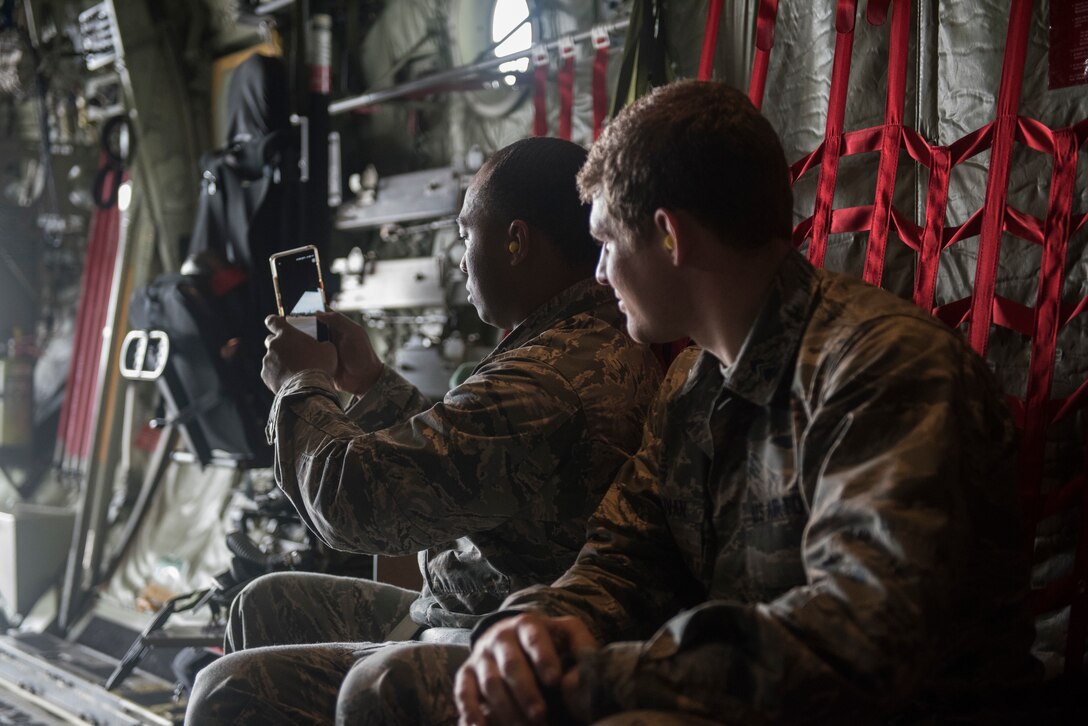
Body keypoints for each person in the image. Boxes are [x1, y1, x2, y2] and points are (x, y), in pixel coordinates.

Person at [451, 80, 1042, 724]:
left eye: (608, 243)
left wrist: (602, 679)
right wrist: (541, 626)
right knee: (400, 685)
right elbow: (629, 554)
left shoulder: (883, 370)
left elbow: (862, 641)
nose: (598, 273)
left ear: (670, 237)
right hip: (744, 701)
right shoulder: (689, 384)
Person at [184, 137, 662, 724]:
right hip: (473, 605)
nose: (460, 259)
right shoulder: (571, 344)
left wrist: (300, 383)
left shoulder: (546, 380)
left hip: (488, 636)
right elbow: (455, 455)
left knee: (226, 691)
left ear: (516, 241)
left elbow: (352, 503)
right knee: (265, 602)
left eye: (466, 235)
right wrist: (373, 385)